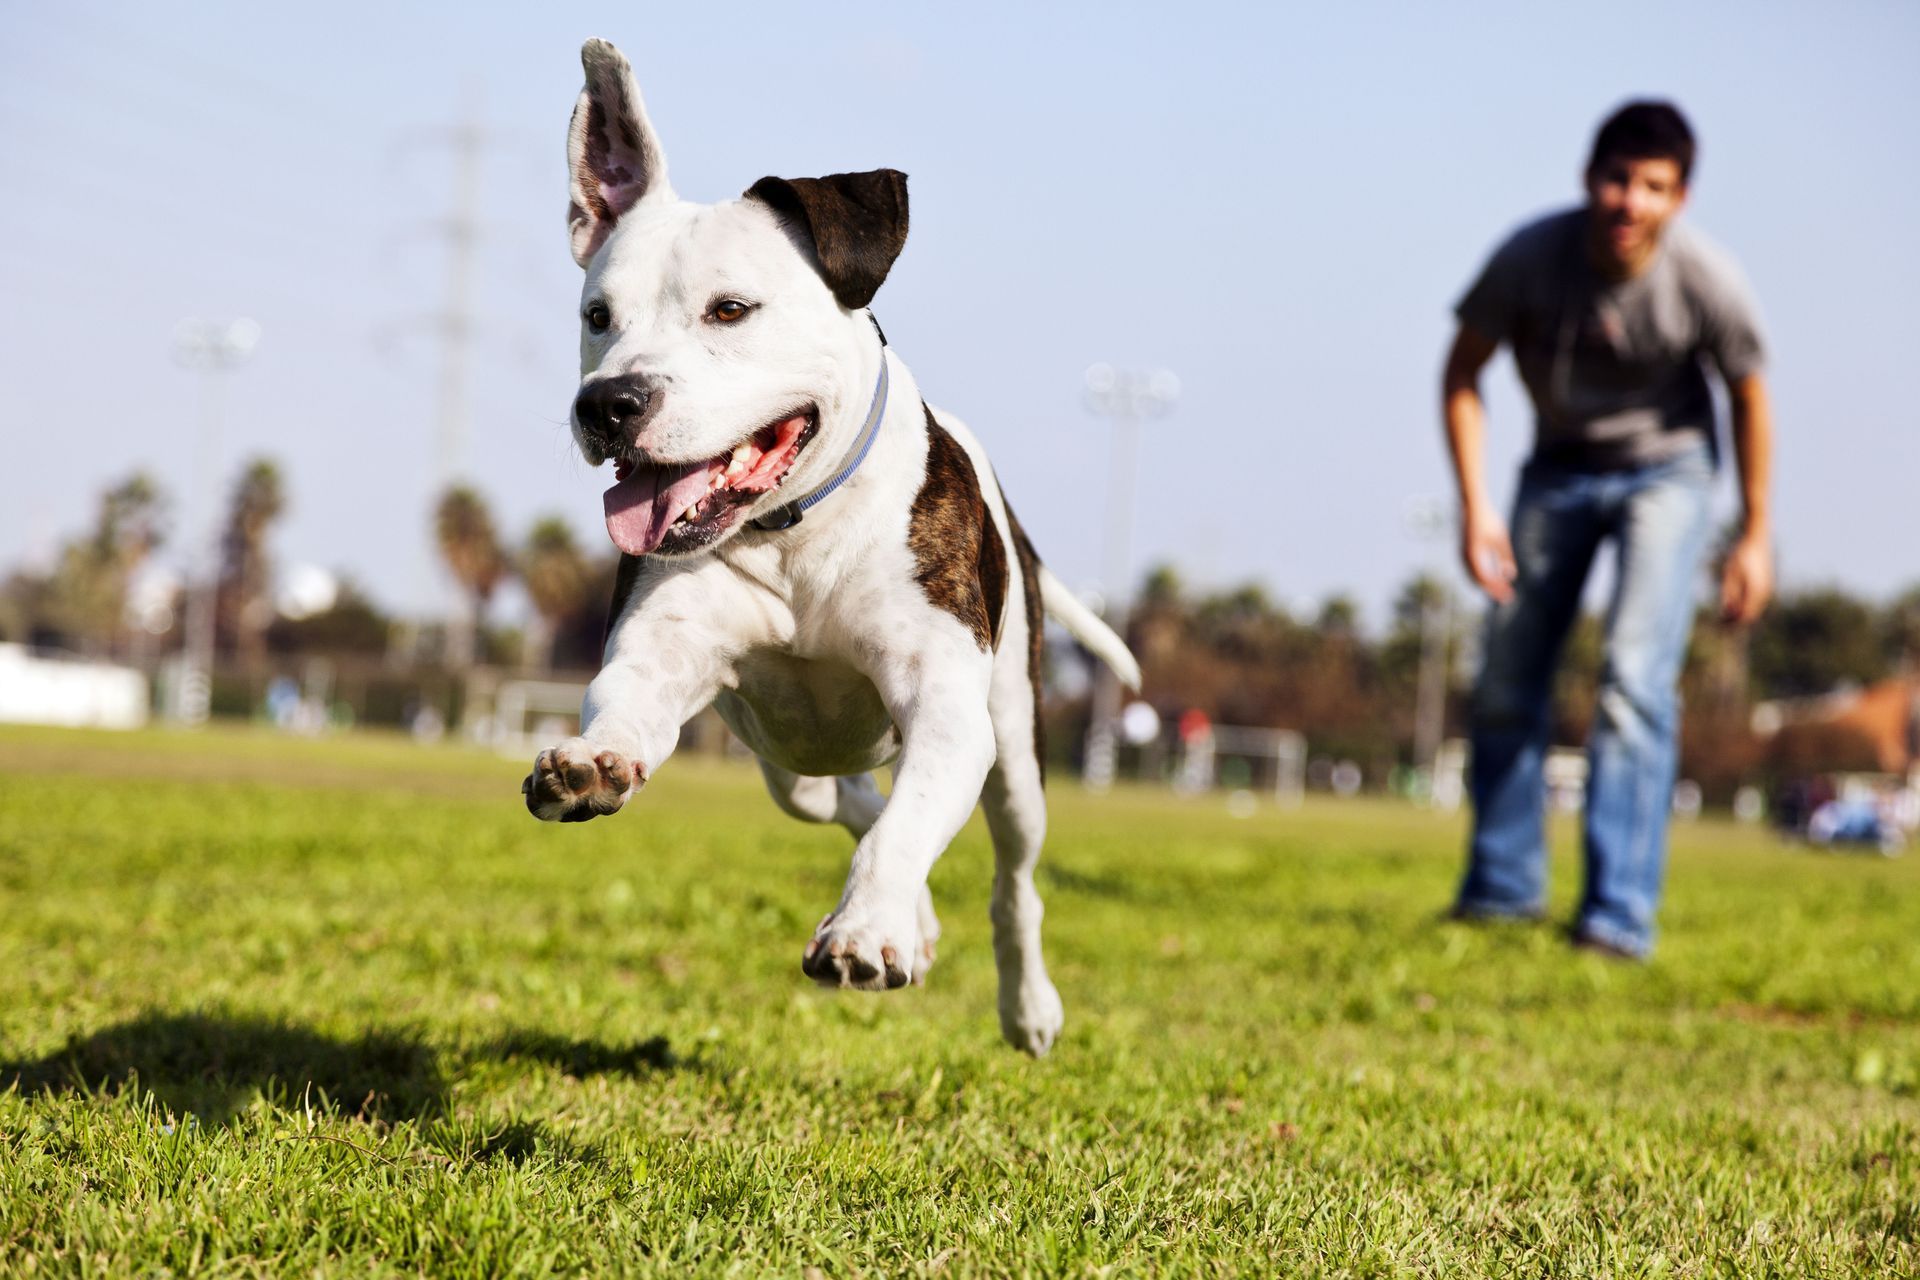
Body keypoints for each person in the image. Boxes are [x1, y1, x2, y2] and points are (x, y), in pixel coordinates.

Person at [1441, 100, 1774, 959]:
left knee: (1632, 678)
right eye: (1618, 180)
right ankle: (1502, 891)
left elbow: (1748, 395)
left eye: (1654, 187)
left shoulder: (1705, 280)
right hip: (1555, 468)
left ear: (1680, 198)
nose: (1631, 201)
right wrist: (1476, 505)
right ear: (1590, 179)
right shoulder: (1530, 258)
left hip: (1668, 473)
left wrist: (1754, 532)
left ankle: (1618, 915)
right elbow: (1462, 372)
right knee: (1510, 672)